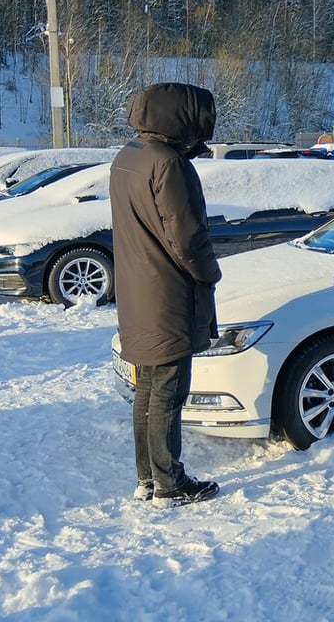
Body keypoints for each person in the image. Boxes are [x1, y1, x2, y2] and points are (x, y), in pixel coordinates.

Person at [110, 82, 222, 509]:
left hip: (137, 290)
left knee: (148, 387)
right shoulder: (169, 164)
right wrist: (209, 274)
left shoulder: (129, 156)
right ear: (181, 116)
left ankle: (148, 478)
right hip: (167, 294)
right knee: (169, 392)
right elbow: (187, 237)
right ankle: (170, 484)